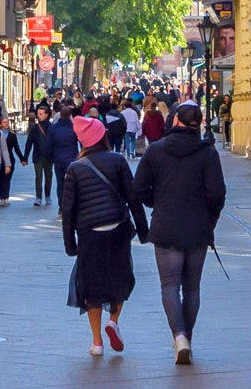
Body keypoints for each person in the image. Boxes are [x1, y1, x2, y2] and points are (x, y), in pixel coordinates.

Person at [134, 102, 226, 365]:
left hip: (166, 226)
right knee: (192, 288)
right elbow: (217, 194)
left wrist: (157, 202)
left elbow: (138, 189)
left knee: (169, 285)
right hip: (197, 228)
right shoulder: (208, 153)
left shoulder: (156, 151)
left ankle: (179, 337)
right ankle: (188, 337)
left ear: (175, 121)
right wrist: (210, 219)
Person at [61, 115, 149, 356]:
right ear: (103, 136)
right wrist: (143, 231)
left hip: (90, 232)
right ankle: (114, 321)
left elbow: (68, 210)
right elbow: (133, 199)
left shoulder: (75, 168)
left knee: (91, 286)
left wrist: (70, 244)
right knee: (121, 277)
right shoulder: (118, 161)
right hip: (118, 228)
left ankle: (97, 342)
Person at [22, 104, 56, 207]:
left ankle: (48, 196)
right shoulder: (35, 128)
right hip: (38, 156)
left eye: (41, 114)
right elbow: (29, 143)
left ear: (46, 115)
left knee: (49, 176)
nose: (39, 116)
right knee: (38, 177)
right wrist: (25, 157)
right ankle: (38, 197)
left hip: (49, 156)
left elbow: (55, 142)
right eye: (38, 114)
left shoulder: (51, 127)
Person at [48, 105, 81, 209]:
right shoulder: (74, 128)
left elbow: (49, 145)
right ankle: (71, 206)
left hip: (58, 159)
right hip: (72, 158)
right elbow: (81, 141)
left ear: (60, 115)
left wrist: (51, 157)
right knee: (72, 183)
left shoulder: (53, 129)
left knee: (60, 182)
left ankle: (61, 207)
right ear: (70, 115)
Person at [0, 114, 24, 205]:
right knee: (0, 179)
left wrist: (22, 159)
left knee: (7, 179)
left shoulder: (12, 135)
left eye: (7, 122)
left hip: (10, 159)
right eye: (4, 122)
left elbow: (16, 148)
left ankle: (6, 197)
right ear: (0, 124)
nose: (6, 124)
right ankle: (2, 197)